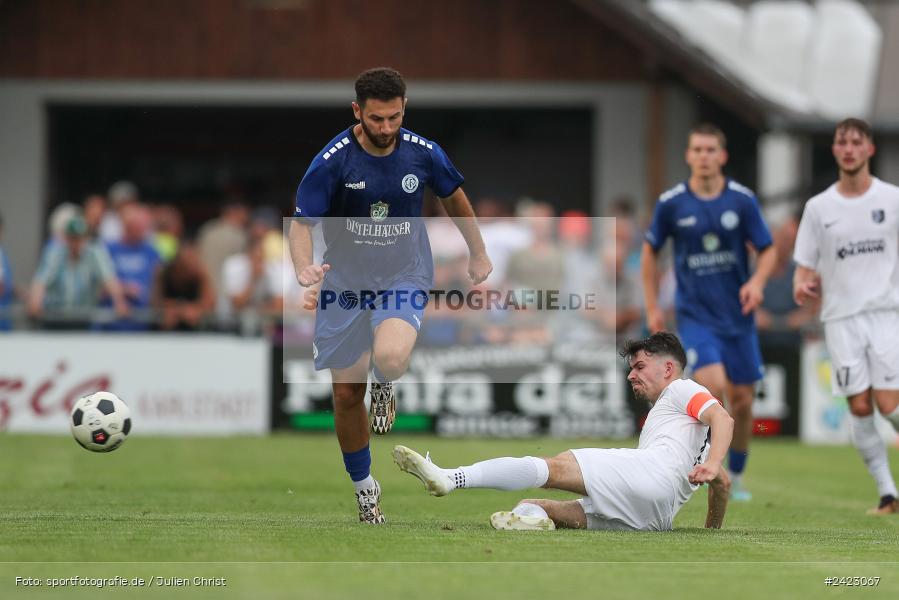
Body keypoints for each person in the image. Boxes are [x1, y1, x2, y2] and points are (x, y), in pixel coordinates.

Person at [288, 67, 492, 524]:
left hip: (405, 273)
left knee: (393, 357)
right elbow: (301, 225)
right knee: (344, 396)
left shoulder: (424, 154)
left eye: (394, 118)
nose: (386, 128)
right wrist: (304, 267)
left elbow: (454, 196)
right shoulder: (333, 161)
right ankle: (366, 488)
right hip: (344, 284)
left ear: (404, 109)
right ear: (357, 111)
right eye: (377, 119)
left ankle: (385, 380)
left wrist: (477, 251)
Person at [394, 332, 733, 531]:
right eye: (631, 369)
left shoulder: (682, 389)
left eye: (640, 367)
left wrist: (715, 462)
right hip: (656, 518)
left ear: (669, 368)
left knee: (551, 467)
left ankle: (451, 477)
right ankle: (530, 524)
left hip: (650, 476)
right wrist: (710, 531)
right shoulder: (689, 436)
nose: (632, 375)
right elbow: (722, 485)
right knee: (535, 505)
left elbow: (724, 419)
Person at [640, 123, 776, 501]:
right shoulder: (672, 203)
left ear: (722, 156)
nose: (703, 156)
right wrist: (653, 305)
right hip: (696, 317)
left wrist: (758, 282)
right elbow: (651, 253)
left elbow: (767, 249)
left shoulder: (742, 201)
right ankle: (704, 468)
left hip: (739, 317)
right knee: (713, 387)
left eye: (710, 150)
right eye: (697, 150)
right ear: (688, 156)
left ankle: (737, 473)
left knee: (745, 400)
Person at [793, 118, 899, 515]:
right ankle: (889, 494)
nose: (849, 148)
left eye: (857, 142)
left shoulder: (892, 199)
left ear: (870, 149)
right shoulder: (819, 208)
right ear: (835, 150)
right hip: (840, 320)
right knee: (859, 408)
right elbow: (803, 268)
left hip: (887, 314)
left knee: (889, 405)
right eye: (842, 142)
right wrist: (802, 286)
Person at [29, 216, 129, 329]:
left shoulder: (95, 252)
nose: (76, 243)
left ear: (86, 238)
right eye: (73, 238)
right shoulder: (55, 252)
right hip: (55, 318)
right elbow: (41, 281)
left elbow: (109, 278)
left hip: (83, 319)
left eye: (80, 238)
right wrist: (35, 301)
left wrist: (119, 302)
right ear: (66, 238)